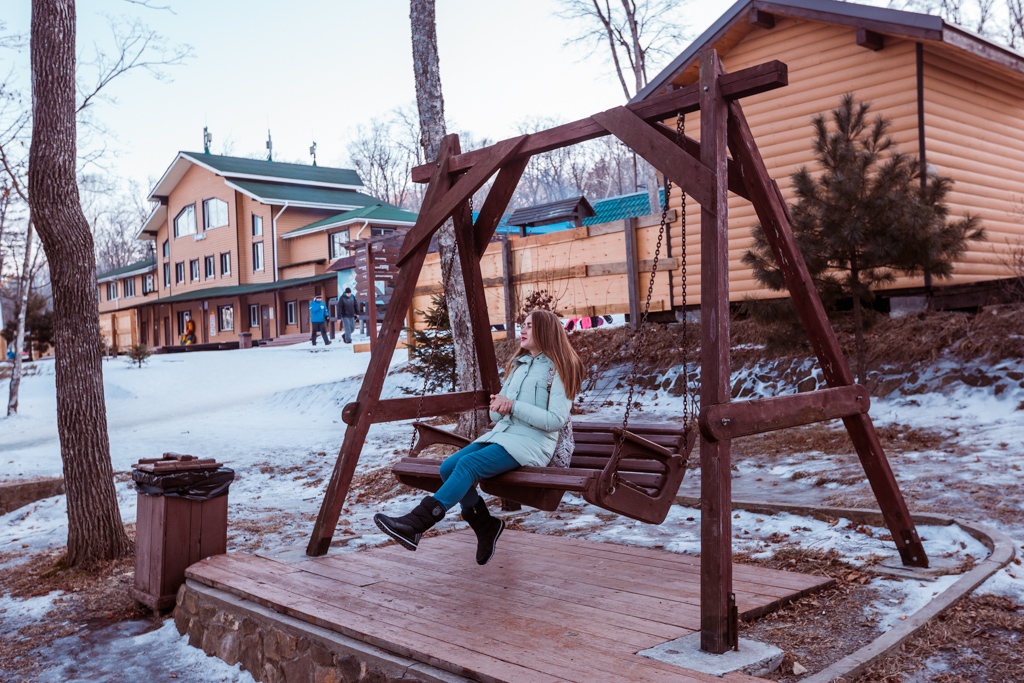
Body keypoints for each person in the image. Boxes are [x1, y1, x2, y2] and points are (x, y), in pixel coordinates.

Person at [374, 309, 585, 565]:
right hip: (504, 436)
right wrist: (499, 406)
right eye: (523, 325)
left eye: (529, 325)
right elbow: (497, 418)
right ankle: (485, 525)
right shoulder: (518, 366)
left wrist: (513, 406)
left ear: (545, 331)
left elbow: (555, 420)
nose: (523, 329)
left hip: (533, 444)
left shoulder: (561, 367)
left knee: (468, 465)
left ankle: (418, 522)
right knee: (448, 466)